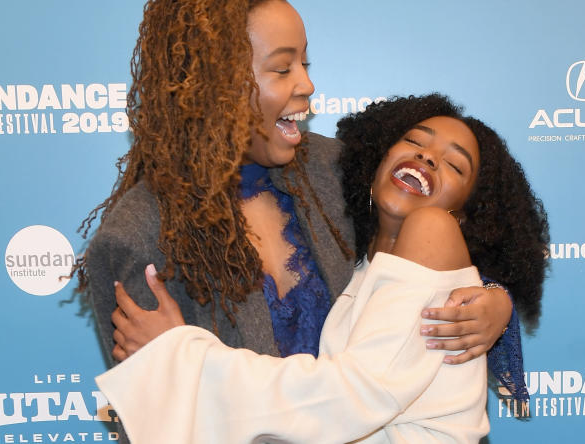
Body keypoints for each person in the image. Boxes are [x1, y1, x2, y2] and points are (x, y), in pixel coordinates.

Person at [95, 93, 550, 443]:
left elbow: (352, 394)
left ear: (467, 213)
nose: (428, 156)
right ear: (377, 159)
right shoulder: (358, 263)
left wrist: (182, 355)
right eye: (413, 141)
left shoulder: (432, 228)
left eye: (454, 165)